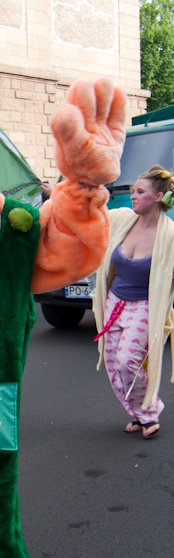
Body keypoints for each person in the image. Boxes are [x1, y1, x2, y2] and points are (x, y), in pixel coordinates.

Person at [93, 164, 174, 438]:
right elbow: (93, 214)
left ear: (158, 197)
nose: (133, 196)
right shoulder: (123, 218)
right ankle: (138, 413)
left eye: (140, 192)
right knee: (113, 364)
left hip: (143, 306)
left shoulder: (169, 235)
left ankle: (150, 411)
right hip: (114, 302)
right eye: (133, 190)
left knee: (127, 361)